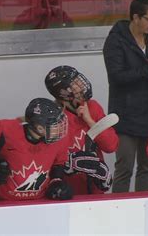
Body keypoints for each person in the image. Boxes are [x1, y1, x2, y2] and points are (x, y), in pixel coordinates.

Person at [103, 0, 148, 192]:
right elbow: (118, 77)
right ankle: (118, 211)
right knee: (124, 167)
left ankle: (143, 209)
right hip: (125, 113)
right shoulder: (115, 42)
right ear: (135, 17)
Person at [44, 65, 118, 194]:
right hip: (67, 190)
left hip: (94, 187)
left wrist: (90, 121)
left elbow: (111, 146)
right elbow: (48, 158)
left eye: (79, 79)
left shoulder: (92, 107)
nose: (81, 84)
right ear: (63, 92)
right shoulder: (53, 118)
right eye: (75, 82)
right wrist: (70, 163)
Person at [0, 98, 73, 201]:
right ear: (39, 128)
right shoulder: (5, 130)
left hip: (37, 204)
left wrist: (57, 181)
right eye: (55, 125)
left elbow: (59, 163)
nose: (60, 128)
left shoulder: (59, 139)